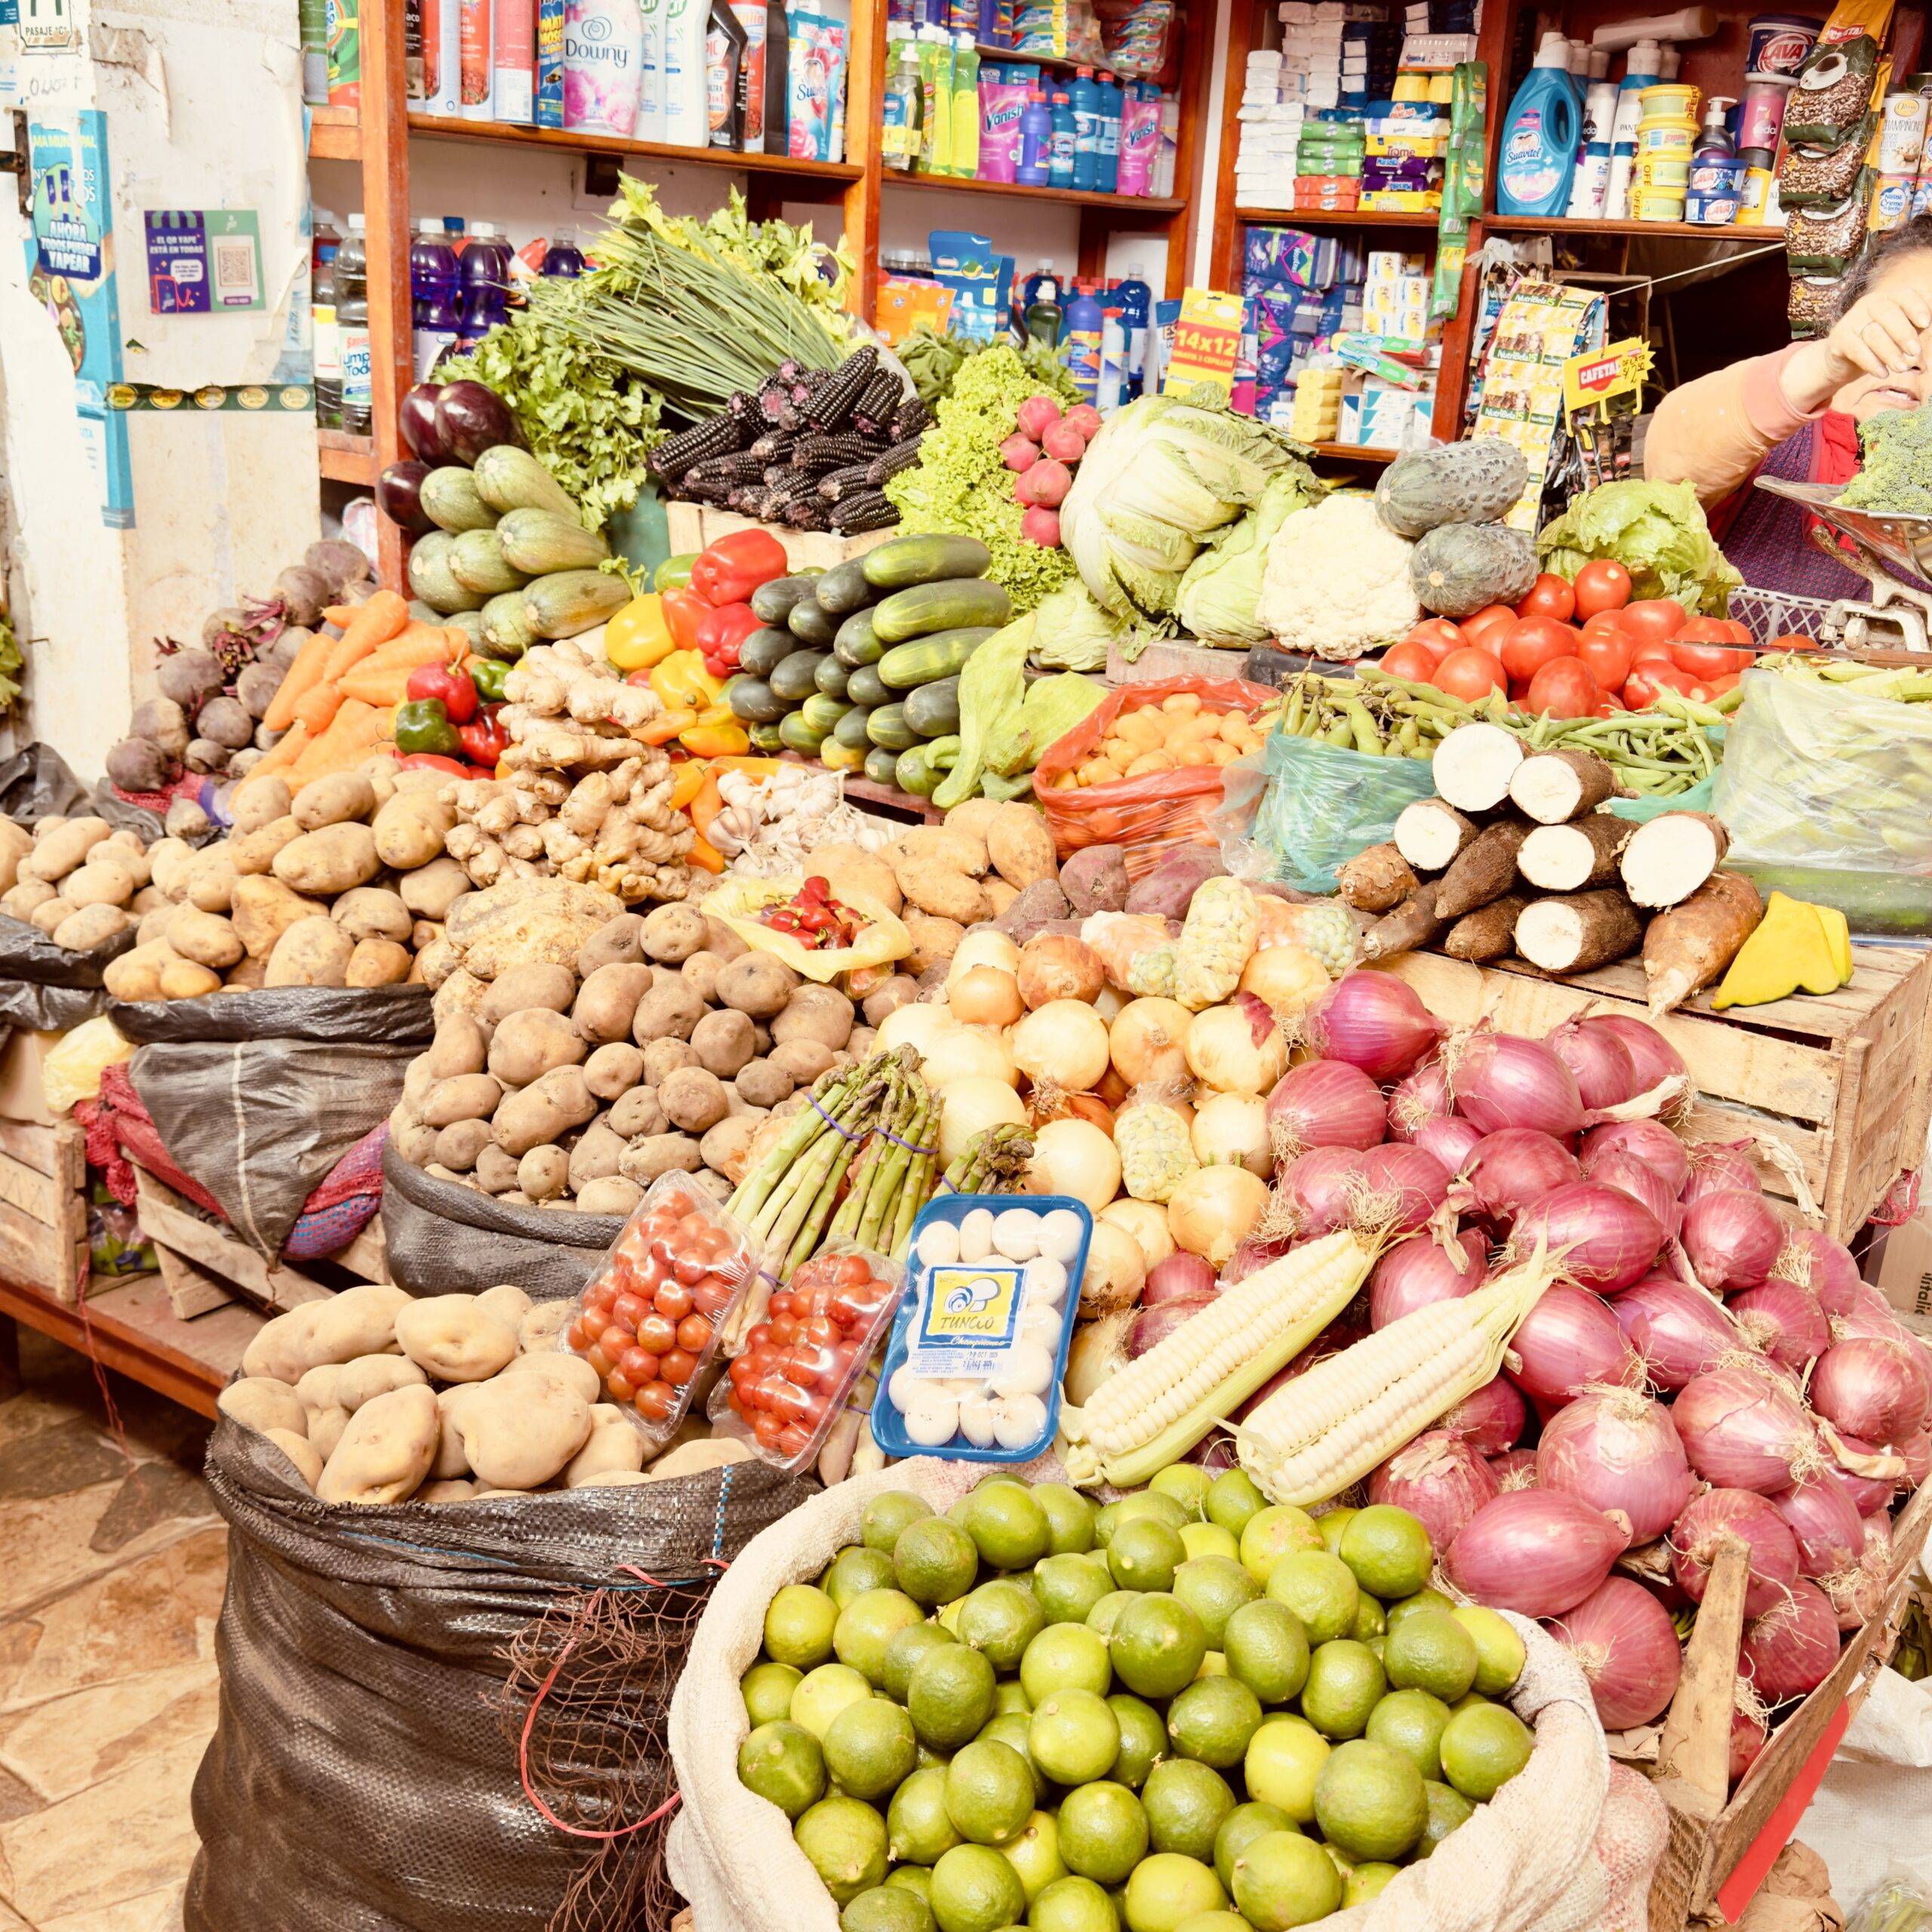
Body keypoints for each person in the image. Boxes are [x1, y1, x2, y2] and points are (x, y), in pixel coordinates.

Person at [1644, 214, 1932, 598]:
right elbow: (1670, 473)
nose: (1914, 357)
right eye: (1900, 324)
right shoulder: (1770, 437)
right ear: (1845, 322)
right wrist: (1824, 363)